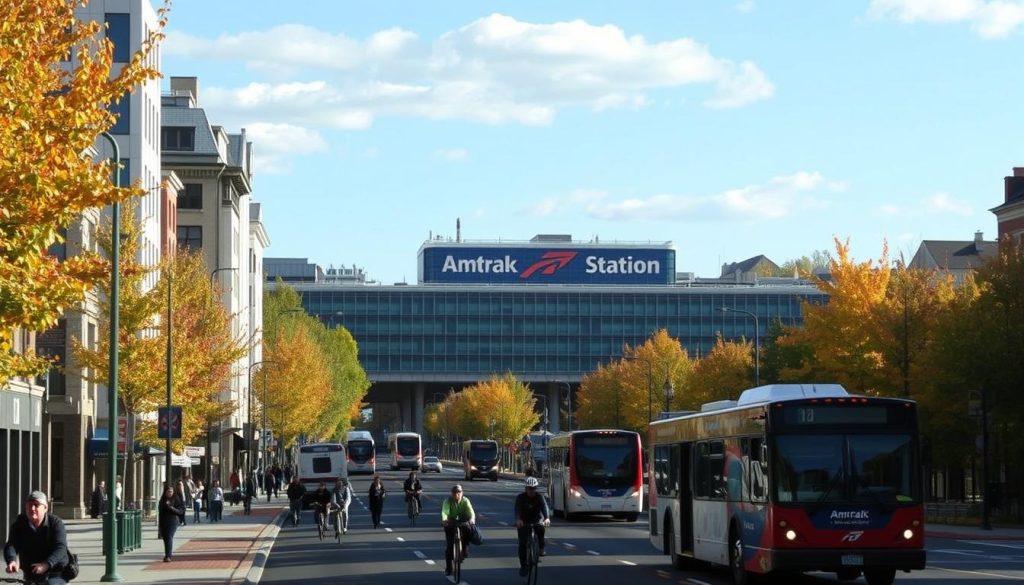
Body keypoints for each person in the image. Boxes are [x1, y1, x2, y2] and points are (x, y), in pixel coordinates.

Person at [3, 491, 70, 585]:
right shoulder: (19, 524)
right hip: (31, 572)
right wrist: (12, 560)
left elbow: (60, 548)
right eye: (29, 505)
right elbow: (11, 544)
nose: (32, 508)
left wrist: (46, 564)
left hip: (54, 571)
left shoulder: (55, 523)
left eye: (36, 505)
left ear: (45, 508)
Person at [515, 477, 550, 576]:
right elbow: (517, 510)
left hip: (536, 520)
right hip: (523, 522)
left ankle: (541, 548)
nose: (531, 491)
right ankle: (523, 566)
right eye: (529, 488)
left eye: (533, 488)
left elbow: (544, 508)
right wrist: (518, 520)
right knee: (522, 544)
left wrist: (547, 518)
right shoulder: (521, 497)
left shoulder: (539, 497)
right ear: (526, 488)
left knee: (541, 529)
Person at [440, 484, 475, 577]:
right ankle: (449, 568)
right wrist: (444, 520)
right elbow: (444, 512)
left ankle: (464, 549)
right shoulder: (447, 501)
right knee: (449, 546)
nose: (457, 495)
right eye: (455, 493)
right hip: (451, 523)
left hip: (463, 522)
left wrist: (471, 520)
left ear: (462, 493)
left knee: (469, 530)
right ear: (452, 493)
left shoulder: (465, 501)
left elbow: (471, 512)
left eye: (459, 492)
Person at [158, 485, 185, 562]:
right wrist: (159, 527)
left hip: (173, 521)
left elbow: (180, 511)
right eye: (168, 491)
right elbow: (160, 513)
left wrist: (170, 507)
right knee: (165, 538)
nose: (169, 493)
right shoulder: (162, 500)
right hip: (164, 521)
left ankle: (168, 556)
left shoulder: (176, 499)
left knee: (169, 537)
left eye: (171, 491)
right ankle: (167, 554)